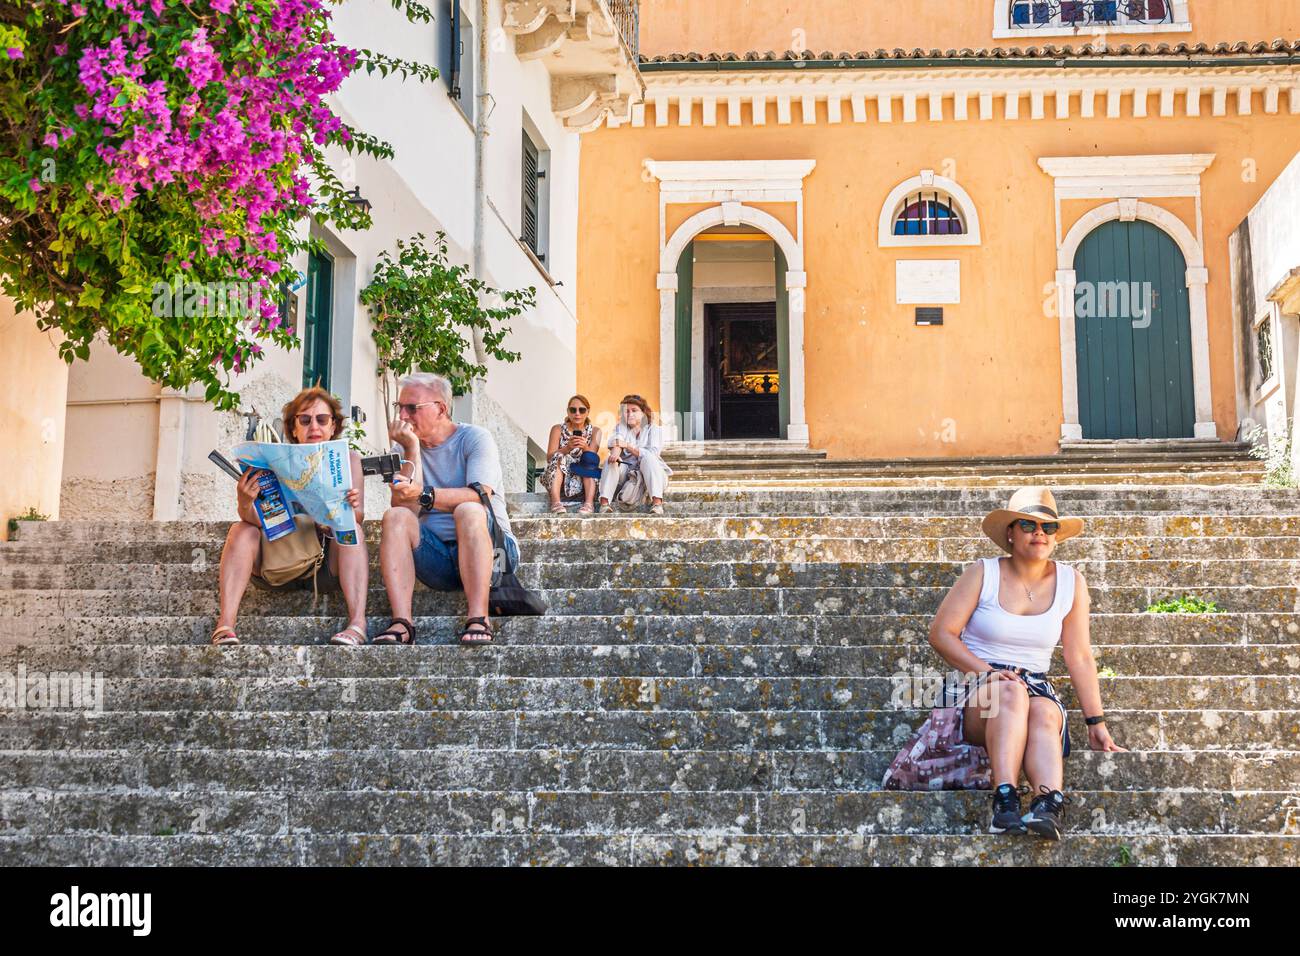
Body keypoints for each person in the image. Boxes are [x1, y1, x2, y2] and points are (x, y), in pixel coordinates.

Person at [927, 487, 1124, 840]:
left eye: (1048, 528)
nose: (1039, 533)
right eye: (1029, 525)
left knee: (1045, 711)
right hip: (979, 686)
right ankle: (1004, 802)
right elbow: (941, 634)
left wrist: (1096, 721)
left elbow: (1079, 655)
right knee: (1010, 693)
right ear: (1010, 533)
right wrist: (989, 673)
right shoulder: (983, 573)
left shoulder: (1071, 582)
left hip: (1035, 685)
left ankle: (1047, 804)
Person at [212, 387, 368, 646]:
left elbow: (358, 517)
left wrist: (344, 510)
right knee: (240, 530)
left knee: (353, 532)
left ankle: (358, 624)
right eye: (304, 420)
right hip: (276, 561)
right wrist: (244, 501)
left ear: (333, 426)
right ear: (293, 428)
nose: (314, 426)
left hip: (323, 564)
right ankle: (225, 624)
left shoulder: (349, 460)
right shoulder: (272, 461)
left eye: (322, 419)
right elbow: (255, 520)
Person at [377, 372, 521, 646]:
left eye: (412, 408)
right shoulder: (403, 448)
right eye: (400, 407)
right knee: (395, 517)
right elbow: (405, 509)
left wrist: (424, 493)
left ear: (441, 409)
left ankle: (479, 617)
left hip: (495, 554)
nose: (403, 416)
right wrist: (412, 450)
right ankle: (402, 622)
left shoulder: (475, 438)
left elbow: (479, 495)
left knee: (468, 509)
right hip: (438, 560)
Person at [597, 394, 672, 515]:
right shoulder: (621, 428)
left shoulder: (655, 430)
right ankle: (604, 505)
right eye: (626, 411)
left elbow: (652, 453)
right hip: (628, 477)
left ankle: (657, 504)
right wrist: (615, 452)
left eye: (634, 410)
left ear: (643, 413)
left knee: (648, 458)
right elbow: (616, 440)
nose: (630, 414)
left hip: (652, 476)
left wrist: (627, 446)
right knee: (611, 461)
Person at [539, 395, 602, 514]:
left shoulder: (595, 431)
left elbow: (593, 458)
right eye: (573, 410)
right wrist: (567, 448)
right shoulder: (557, 429)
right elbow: (549, 458)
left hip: (583, 474)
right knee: (559, 457)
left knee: (588, 460)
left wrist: (585, 447)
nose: (577, 413)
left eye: (581, 410)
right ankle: (556, 502)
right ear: (568, 411)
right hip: (560, 473)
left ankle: (589, 504)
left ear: (588, 412)